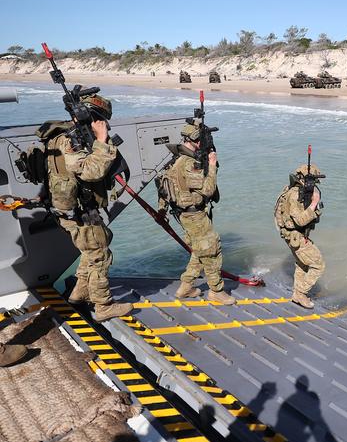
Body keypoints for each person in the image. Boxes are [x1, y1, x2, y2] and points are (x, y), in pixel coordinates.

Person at [36, 93, 133, 322]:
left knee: (90, 251)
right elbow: (90, 172)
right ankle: (103, 306)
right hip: (79, 212)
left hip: (68, 209)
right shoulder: (71, 139)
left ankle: (80, 292)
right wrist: (101, 140)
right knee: (100, 255)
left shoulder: (58, 136)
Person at [157, 121, 235, 304]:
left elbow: (162, 189)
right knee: (211, 250)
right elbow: (207, 190)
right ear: (197, 141)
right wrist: (212, 165)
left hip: (183, 214)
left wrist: (162, 211)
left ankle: (186, 286)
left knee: (199, 250)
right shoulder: (190, 164)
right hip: (195, 216)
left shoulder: (174, 160)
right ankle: (216, 290)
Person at [274, 165, 325, 309]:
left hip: (293, 236)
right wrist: (314, 204)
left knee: (302, 264)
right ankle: (301, 293)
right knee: (318, 265)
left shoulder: (292, 189)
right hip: (295, 236)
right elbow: (299, 220)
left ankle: (297, 294)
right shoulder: (295, 194)